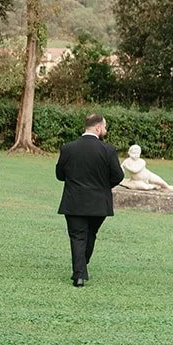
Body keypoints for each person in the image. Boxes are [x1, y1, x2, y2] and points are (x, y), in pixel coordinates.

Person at [56, 113, 124, 286]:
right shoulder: (108, 150)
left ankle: (79, 273)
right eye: (105, 127)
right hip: (99, 202)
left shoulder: (68, 148)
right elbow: (118, 176)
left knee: (78, 236)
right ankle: (81, 270)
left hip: (74, 200)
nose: (106, 130)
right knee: (90, 234)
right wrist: (103, 186)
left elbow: (60, 174)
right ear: (98, 127)